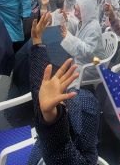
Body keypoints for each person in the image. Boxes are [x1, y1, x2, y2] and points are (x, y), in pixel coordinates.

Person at [27, 13, 99, 165]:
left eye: (63, 111)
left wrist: (52, 121)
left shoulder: (81, 159)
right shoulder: (78, 141)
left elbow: (60, 151)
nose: (57, 110)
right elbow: (38, 91)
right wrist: (37, 42)